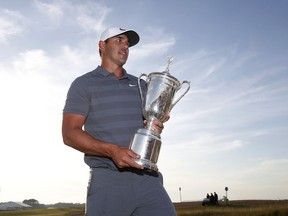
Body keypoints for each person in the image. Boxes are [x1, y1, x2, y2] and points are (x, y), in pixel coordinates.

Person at [62, 27, 176, 216]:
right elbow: (69, 133)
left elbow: (149, 124)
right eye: (119, 40)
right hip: (108, 181)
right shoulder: (83, 84)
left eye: (127, 43)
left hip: (148, 179)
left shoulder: (142, 85)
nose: (125, 46)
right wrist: (112, 150)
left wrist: (155, 126)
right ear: (102, 45)